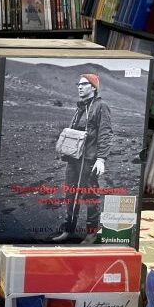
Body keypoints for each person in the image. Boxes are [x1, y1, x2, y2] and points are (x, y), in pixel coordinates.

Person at [52, 73, 113, 243]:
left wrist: (101, 159)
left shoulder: (101, 106)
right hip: (74, 159)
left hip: (89, 160)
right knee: (70, 193)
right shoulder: (80, 107)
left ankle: (91, 233)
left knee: (89, 194)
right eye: (78, 84)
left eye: (84, 84)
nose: (79, 87)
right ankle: (68, 229)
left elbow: (105, 134)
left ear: (93, 87)